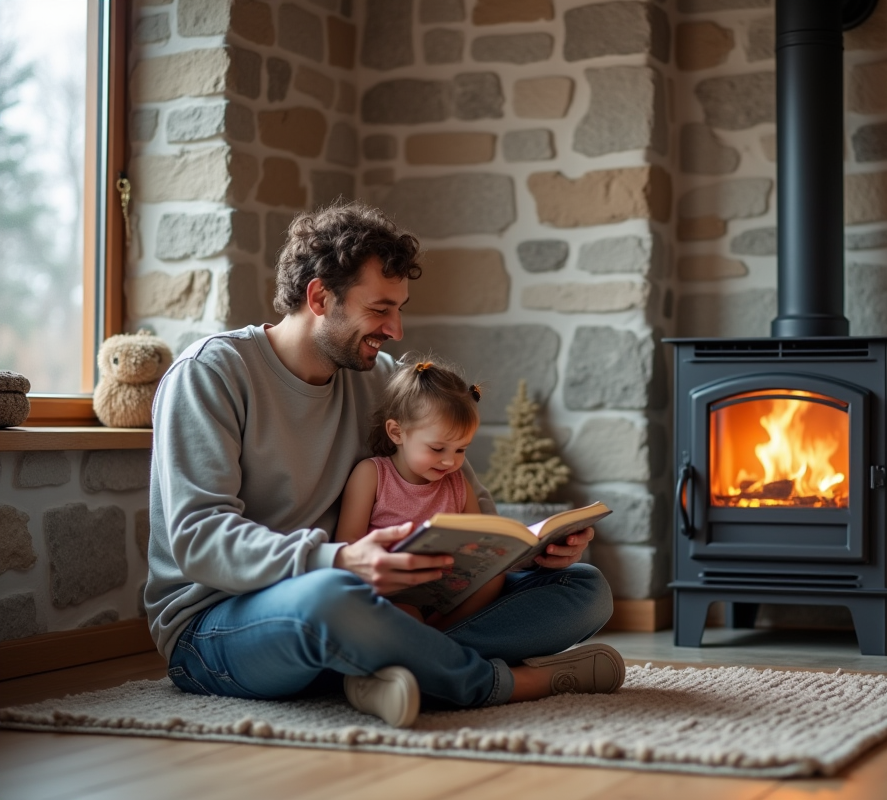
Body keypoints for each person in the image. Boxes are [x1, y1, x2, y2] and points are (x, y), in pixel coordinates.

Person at [145, 202, 623, 729]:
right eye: (379, 309)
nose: (395, 329)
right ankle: (498, 683)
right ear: (319, 297)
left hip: (374, 600)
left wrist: (531, 553)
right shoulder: (210, 374)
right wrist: (340, 559)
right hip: (220, 621)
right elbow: (199, 538)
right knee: (333, 600)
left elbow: (469, 507)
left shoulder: (381, 380)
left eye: (399, 309)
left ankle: (381, 666)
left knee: (584, 589)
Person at [334, 357, 505, 628]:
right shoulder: (372, 475)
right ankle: (438, 640)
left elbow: (479, 541)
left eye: (461, 449)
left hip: (444, 587)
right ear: (396, 432)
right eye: (437, 449)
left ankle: (440, 633)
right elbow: (347, 542)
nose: (450, 461)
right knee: (405, 614)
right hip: (393, 588)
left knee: (495, 580)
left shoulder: (458, 483)